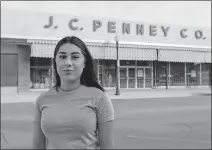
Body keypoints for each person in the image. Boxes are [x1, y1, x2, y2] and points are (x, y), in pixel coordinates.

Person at [32, 36, 115, 149]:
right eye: (62, 57)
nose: (68, 62)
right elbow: (37, 144)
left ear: (84, 62)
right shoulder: (42, 100)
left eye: (75, 57)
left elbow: (108, 146)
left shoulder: (99, 98)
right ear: (55, 61)